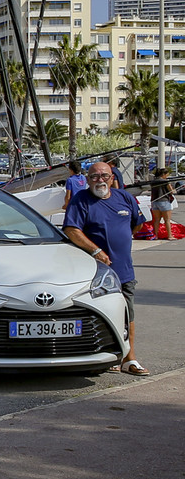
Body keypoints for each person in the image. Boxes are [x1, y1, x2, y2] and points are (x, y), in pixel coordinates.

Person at [63, 161, 146, 375]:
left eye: (104, 176)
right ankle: (108, 356)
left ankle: (130, 358)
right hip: (95, 274)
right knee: (101, 314)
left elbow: (137, 223)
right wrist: (95, 250)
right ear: (87, 179)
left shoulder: (125, 198)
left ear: (112, 178)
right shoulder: (81, 200)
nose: (100, 180)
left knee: (128, 313)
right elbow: (72, 230)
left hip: (124, 270)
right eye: (94, 176)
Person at [146, 166, 180, 240]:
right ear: (163, 174)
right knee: (167, 220)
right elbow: (171, 191)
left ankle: (156, 236)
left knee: (157, 220)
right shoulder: (165, 181)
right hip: (164, 201)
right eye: (166, 174)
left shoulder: (153, 182)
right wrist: (174, 191)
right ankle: (170, 236)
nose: (167, 176)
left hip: (154, 202)